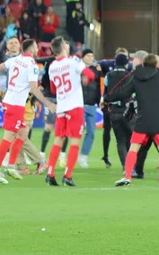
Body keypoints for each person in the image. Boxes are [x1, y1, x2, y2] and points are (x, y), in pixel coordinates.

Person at [0, 38, 55, 183]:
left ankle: (11, 166)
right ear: (31, 49)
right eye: (36, 46)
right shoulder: (31, 65)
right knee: (8, 137)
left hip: (12, 102)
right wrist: (47, 103)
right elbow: (33, 88)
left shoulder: (15, 59)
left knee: (23, 132)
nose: (37, 48)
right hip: (15, 105)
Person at [107, 53, 159, 187]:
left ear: (143, 64)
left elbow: (122, 92)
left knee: (133, 148)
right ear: (156, 65)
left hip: (142, 119)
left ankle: (127, 176)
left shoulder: (136, 77)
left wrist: (107, 99)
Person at [43, 37, 95, 186]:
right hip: (74, 107)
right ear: (64, 48)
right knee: (74, 142)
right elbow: (90, 75)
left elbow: (53, 89)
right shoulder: (74, 62)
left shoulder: (52, 66)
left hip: (61, 107)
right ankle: (67, 175)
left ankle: (50, 174)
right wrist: (85, 78)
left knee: (58, 141)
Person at [102, 52, 134, 167]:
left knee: (120, 140)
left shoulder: (108, 75)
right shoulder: (130, 75)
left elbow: (106, 93)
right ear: (126, 63)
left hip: (114, 110)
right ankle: (132, 166)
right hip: (127, 111)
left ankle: (125, 167)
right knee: (131, 140)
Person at [80, 49, 103, 168]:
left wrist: (99, 100)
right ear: (83, 57)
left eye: (92, 56)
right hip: (80, 105)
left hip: (92, 104)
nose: (90, 58)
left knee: (91, 132)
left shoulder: (96, 70)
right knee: (78, 131)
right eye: (88, 56)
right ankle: (68, 155)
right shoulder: (78, 69)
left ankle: (83, 156)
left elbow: (98, 87)